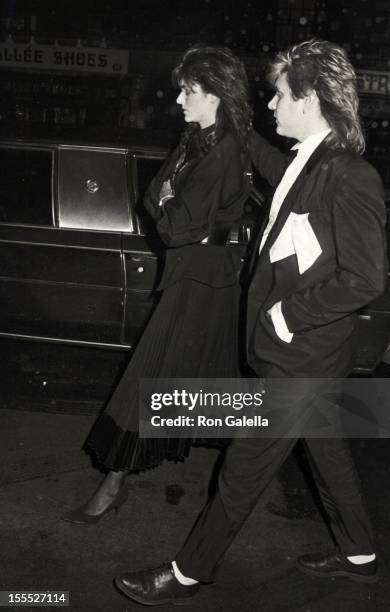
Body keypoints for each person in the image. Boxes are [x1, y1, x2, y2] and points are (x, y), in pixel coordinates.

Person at [113, 39, 387, 605]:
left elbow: (365, 279)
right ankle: (359, 555)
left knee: (241, 471)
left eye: (281, 96)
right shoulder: (307, 162)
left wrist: (287, 314)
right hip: (309, 354)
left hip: (301, 354)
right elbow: (265, 160)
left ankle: (187, 572)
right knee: (328, 449)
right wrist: (231, 115)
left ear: (310, 99)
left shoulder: (348, 175)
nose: (272, 105)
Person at [62, 45, 253, 524]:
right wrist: (171, 201)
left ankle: (114, 484)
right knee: (189, 384)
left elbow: (172, 222)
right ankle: (230, 489)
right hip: (191, 274)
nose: (179, 101)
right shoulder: (195, 139)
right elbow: (153, 195)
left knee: (160, 379)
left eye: (189, 91)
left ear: (215, 95)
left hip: (205, 282)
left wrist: (170, 200)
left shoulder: (226, 148)